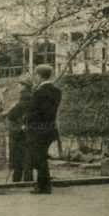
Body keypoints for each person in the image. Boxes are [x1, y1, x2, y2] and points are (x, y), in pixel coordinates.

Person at [25, 64, 61, 195]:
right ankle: (45, 185)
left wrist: (26, 122)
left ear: (39, 76)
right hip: (50, 128)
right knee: (42, 157)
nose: (34, 77)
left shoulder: (39, 92)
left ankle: (42, 186)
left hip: (37, 129)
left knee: (39, 158)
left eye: (35, 75)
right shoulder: (57, 91)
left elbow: (34, 112)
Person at [0, 77, 34, 182]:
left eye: (20, 84)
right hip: (25, 129)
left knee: (18, 155)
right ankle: (26, 179)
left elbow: (13, 114)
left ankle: (18, 180)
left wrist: (8, 111)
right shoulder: (30, 96)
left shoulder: (25, 96)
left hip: (18, 131)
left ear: (24, 86)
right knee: (26, 155)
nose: (18, 86)